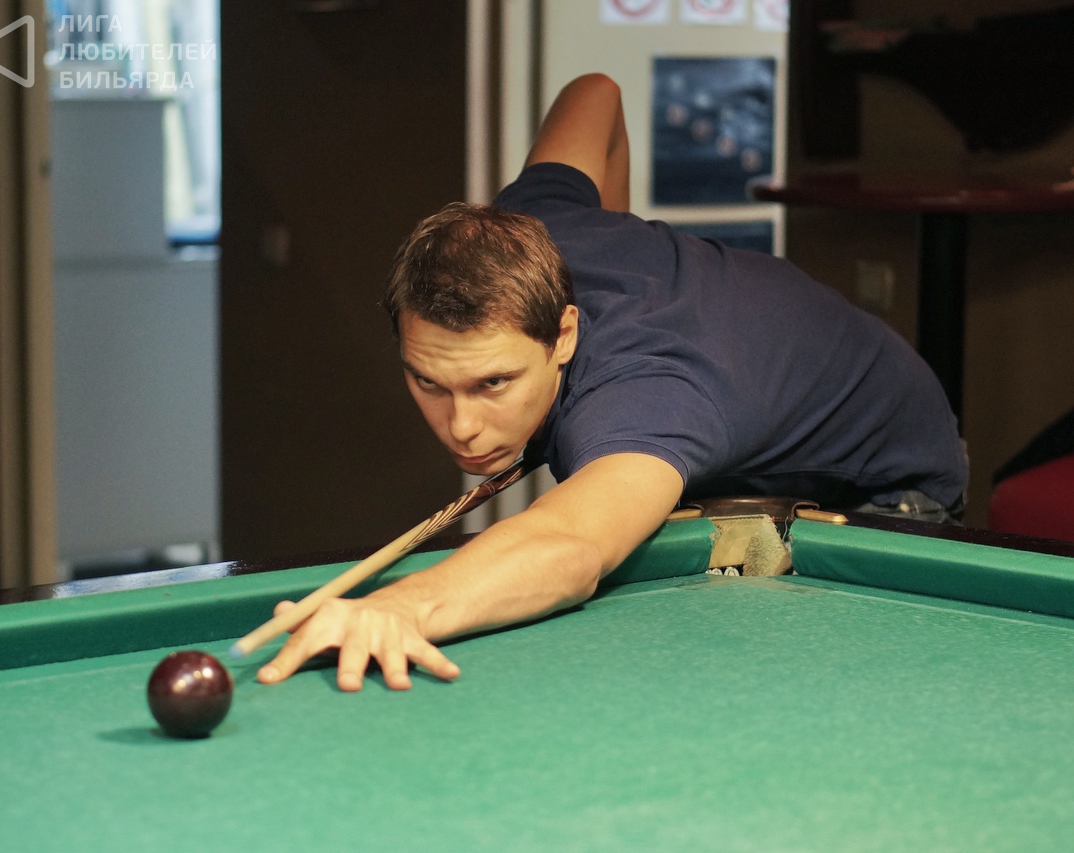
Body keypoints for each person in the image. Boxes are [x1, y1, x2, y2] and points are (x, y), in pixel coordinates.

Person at [257, 74, 966, 691]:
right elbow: (595, 94)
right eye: (429, 382)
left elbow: (571, 547)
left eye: (494, 383)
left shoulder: (641, 400)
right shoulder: (536, 224)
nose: (462, 426)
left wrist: (402, 606)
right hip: (743, 403)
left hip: (885, 487)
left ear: (564, 334)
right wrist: (615, 227)